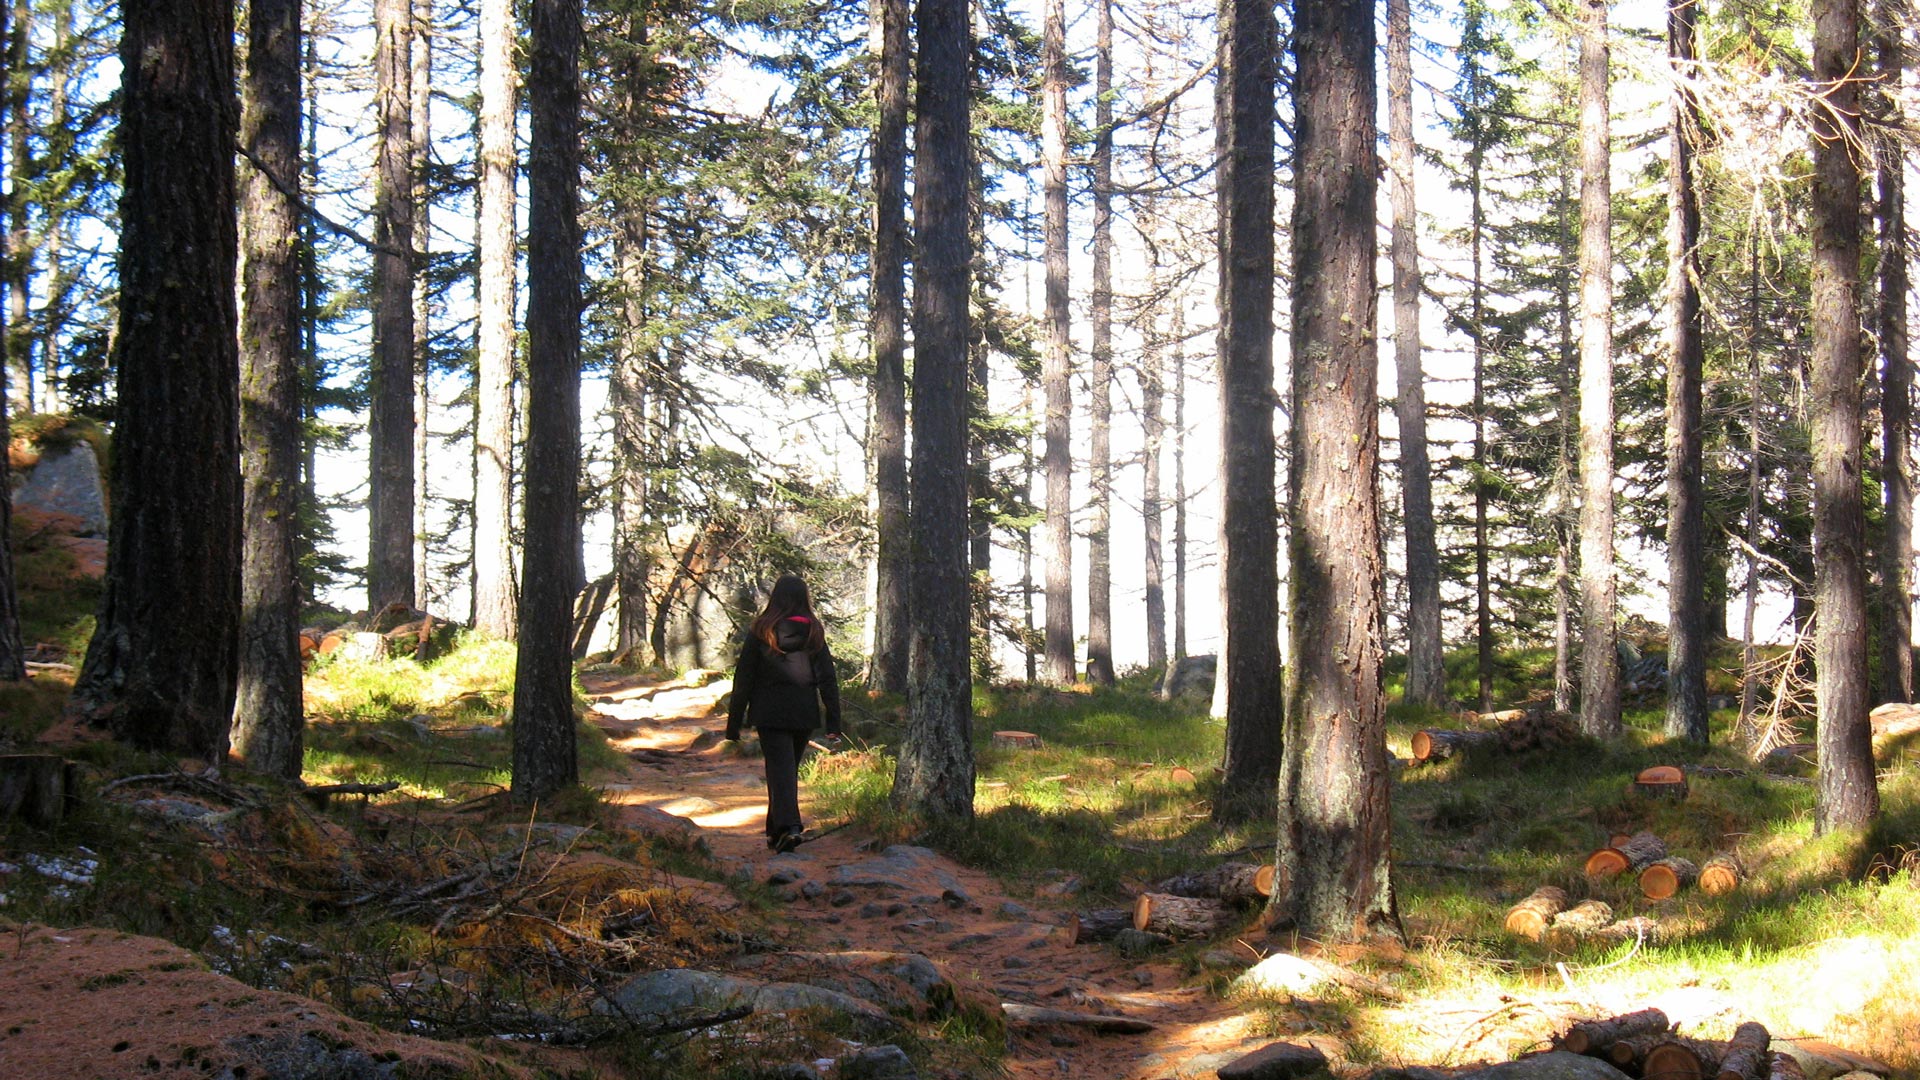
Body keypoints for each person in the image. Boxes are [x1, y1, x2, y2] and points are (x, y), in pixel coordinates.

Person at [724, 574, 842, 853]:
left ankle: (790, 828)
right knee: (784, 770)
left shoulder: (761, 629)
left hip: (769, 711)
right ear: (804, 598)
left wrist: (734, 722)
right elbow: (828, 678)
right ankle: (775, 831)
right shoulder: (813, 631)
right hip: (803, 712)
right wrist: (833, 723)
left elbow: (744, 679)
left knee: (781, 770)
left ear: (775, 597)